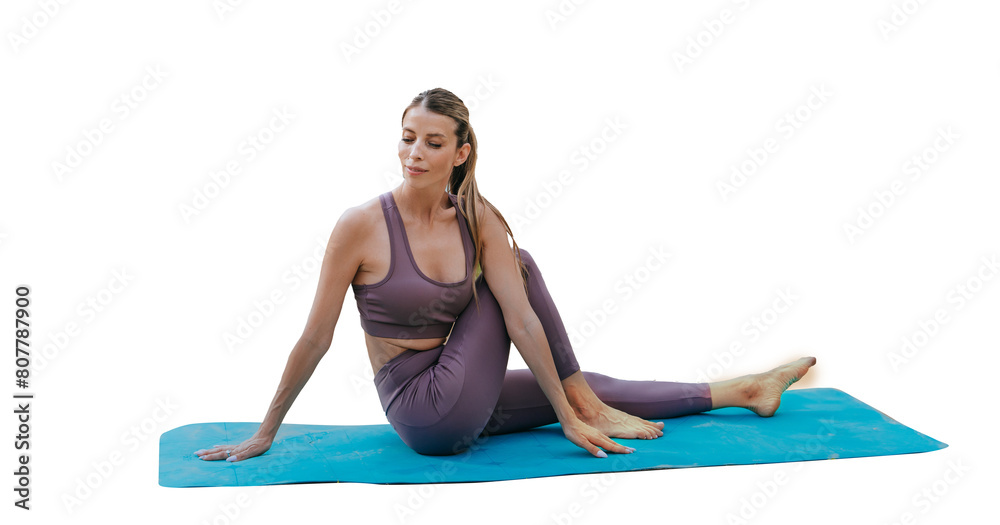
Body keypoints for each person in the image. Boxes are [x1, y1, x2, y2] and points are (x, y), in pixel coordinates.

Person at [195, 88, 816, 462]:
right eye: (409, 138)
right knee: (516, 272)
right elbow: (316, 338)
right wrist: (265, 431)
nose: (415, 153)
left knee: (585, 378)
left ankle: (745, 390)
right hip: (421, 407)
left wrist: (569, 403)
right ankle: (580, 404)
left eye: (433, 143)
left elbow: (519, 319)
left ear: (460, 153)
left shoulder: (477, 217)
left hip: (465, 384)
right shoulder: (360, 225)